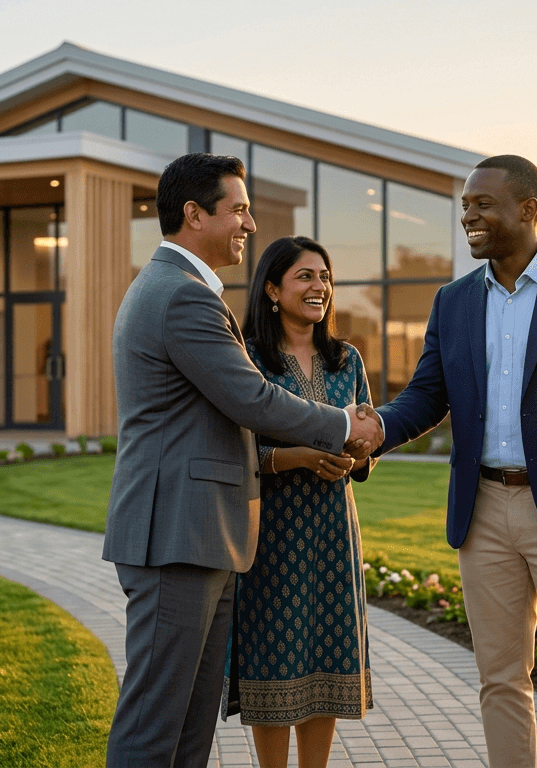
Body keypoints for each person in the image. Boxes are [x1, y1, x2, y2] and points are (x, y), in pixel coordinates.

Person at [364, 155, 537, 767]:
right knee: (499, 680)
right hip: (483, 511)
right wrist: (372, 427)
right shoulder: (453, 300)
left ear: (529, 209)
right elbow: (426, 396)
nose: (469, 215)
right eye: (465, 205)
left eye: (483, 204)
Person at [102, 153, 383, 768]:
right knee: (155, 723)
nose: (250, 224)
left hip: (202, 534)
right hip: (176, 533)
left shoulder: (182, 289)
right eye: (239, 209)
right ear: (194, 214)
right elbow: (251, 398)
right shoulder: (181, 297)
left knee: (188, 721)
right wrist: (344, 423)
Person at [225, 236, 375, 768]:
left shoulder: (346, 359)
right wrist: (301, 458)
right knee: (276, 660)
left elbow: (367, 446)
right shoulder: (247, 359)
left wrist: (355, 455)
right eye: (305, 277)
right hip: (272, 536)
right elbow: (240, 452)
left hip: (335, 533)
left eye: (325, 277)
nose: (320, 288)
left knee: (328, 658)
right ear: (272, 288)